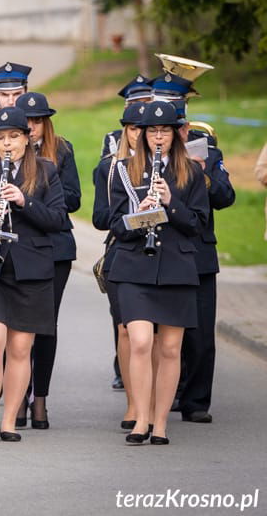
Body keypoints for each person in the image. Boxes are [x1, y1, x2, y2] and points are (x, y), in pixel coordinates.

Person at [0, 106, 68, 443]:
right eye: (0, 138)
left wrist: (24, 201)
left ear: (27, 138)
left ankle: (9, 419)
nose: (7, 144)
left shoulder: (46, 170)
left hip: (31, 269)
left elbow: (59, 220)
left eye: (14, 137)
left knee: (21, 349)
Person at [107, 100, 209, 445]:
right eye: (153, 131)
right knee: (139, 342)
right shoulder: (123, 170)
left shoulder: (191, 173)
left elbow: (197, 225)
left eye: (165, 130)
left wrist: (170, 203)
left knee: (169, 349)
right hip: (134, 265)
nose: (159, 137)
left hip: (177, 268)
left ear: (175, 134)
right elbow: (115, 225)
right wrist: (143, 215)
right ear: (144, 135)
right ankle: (140, 418)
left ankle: (161, 424)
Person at [14, 92, 80, 428]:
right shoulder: (6, 151)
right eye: (26, 122)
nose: (31, 127)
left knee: (45, 326)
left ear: (45, 123)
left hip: (54, 247)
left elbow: (73, 199)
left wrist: (42, 184)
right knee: (19, 327)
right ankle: (19, 397)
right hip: (20, 246)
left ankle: (40, 398)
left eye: (37, 121)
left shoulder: (62, 150)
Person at [175, 101, 235, 424]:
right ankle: (167, 390)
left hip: (199, 250)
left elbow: (226, 196)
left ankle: (196, 400)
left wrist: (203, 177)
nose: (180, 131)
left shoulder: (206, 149)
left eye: (182, 123)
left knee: (200, 333)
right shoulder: (150, 148)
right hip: (164, 250)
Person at [92, 102, 146, 429]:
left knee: (156, 336)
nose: (141, 135)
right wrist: (132, 218)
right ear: (125, 131)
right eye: (135, 128)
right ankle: (133, 403)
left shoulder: (172, 167)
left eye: (151, 129)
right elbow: (100, 218)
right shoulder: (110, 168)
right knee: (126, 331)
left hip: (165, 256)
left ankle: (154, 397)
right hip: (123, 252)